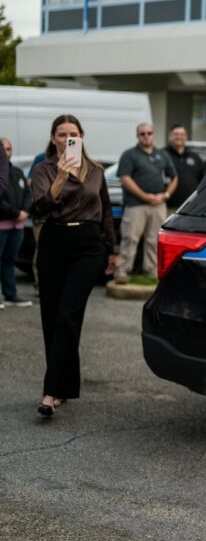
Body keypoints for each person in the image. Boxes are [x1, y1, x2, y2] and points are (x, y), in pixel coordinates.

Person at [29, 115, 118, 416]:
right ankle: (64, 386)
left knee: (68, 314)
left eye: (73, 134)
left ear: (81, 136)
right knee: (53, 318)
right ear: (53, 138)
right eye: (61, 134)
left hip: (89, 245)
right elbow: (40, 207)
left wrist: (113, 249)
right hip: (55, 240)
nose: (67, 138)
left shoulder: (95, 171)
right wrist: (59, 179)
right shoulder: (43, 169)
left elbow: (105, 210)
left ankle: (51, 392)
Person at [114, 123, 177, 283]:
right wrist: (144, 196)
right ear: (137, 136)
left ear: (153, 134)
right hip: (136, 205)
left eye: (149, 133)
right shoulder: (129, 155)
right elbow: (125, 178)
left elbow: (174, 177)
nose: (146, 136)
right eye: (142, 134)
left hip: (158, 205)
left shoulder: (162, 154)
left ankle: (151, 271)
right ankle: (122, 272)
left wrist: (166, 194)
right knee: (130, 238)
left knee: (154, 239)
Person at [0, 137, 32, 308]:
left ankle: (10, 295)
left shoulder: (18, 172)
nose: (6, 152)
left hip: (17, 226)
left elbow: (28, 193)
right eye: (3, 148)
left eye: (9, 149)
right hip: (2, 224)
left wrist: (25, 211)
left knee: (10, 261)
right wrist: (14, 213)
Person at [163, 124, 205, 213]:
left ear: (186, 137)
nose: (179, 137)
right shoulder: (162, 155)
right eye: (176, 134)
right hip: (168, 208)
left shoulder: (194, 157)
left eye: (182, 134)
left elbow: (203, 180)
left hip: (191, 208)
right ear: (170, 136)